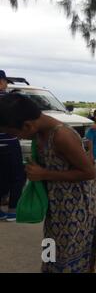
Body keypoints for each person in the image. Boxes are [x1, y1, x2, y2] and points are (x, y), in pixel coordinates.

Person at [0, 94, 96, 273]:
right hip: (54, 208)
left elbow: (89, 172)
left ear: (27, 125)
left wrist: (44, 173)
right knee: (50, 248)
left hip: (75, 210)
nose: (17, 138)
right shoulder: (38, 133)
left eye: (14, 134)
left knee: (69, 255)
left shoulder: (62, 135)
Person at [0, 70, 25, 222]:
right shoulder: (11, 99)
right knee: (17, 176)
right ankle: (13, 210)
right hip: (9, 142)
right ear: (3, 82)